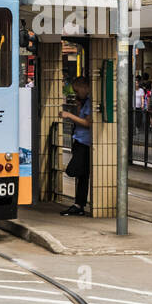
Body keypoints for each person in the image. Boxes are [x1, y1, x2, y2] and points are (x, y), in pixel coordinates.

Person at [60, 76, 93, 216]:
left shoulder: (91, 102)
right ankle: (79, 204)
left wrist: (69, 115)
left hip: (84, 142)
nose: (76, 94)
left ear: (85, 88)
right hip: (80, 140)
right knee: (83, 176)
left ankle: (79, 204)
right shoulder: (85, 102)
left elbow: (87, 123)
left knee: (72, 170)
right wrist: (79, 106)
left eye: (77, 91)